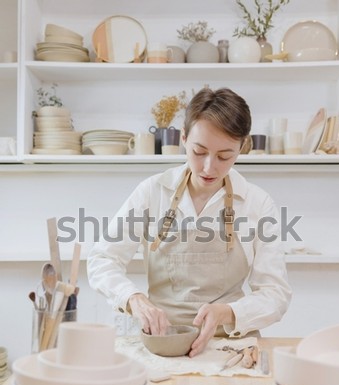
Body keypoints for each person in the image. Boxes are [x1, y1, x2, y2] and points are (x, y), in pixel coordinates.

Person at [87, 87, 292, 357]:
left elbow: (275, 293)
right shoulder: (152, 192)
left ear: (242, 147)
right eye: (199, 151)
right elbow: (102, 260)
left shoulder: (257, 203)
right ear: (184, 138)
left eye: (224, 156)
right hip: (162, 343)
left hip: (229, 346)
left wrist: (229, 312)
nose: (209, 167)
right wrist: (134, 300)